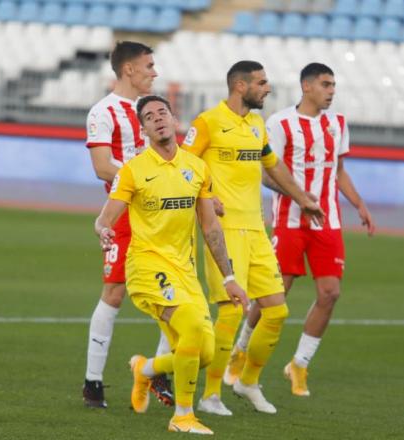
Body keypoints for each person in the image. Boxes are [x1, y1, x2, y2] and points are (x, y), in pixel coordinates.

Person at [95, 95, 249, 435]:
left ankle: (145, 369)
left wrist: (229, 278)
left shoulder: (196, 169)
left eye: (162, 112)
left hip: (184, 271)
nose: (157, 119)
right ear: (144, 129)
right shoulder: (133, 170)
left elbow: (210, 227)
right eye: (149, 117)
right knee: (193, 330)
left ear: (174, 118)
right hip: (147, 269)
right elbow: (105, 218)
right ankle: (182, 416)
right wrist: (104, 230)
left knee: (204, 353)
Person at [182, 60, 324, 416]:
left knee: (276, 311)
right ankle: (210, 395)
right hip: (224, 231)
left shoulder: (257, 125)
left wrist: (302, 198)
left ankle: (247, 382)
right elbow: (182, 165)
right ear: (240, 86)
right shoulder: (207, 122)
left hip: (258, 231)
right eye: (261, 82)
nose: (268, 88)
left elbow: (273, 166)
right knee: (231, 312)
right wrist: (206, 195)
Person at [226, 62, 375, 397]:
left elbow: (338, 172)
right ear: (306, 87)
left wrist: (359, 205)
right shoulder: (280, 123)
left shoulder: (338, 124)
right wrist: (299, 196)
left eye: (333, 85)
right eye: (325, 84)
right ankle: (241, 351)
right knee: (272, 295)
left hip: (328, 222)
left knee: (330, 293)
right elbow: (267, 173)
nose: (331, 91)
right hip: (289, 222)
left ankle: (300, 364)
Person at [83, 41, 172, 409]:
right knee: (115, 293)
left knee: (175, 294)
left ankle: (159, 372)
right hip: (124, 215)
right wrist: (150, 178)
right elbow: (103, 167)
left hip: (164, 216)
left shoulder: (155, 110)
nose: (155, 72)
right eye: (149, 65)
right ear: (130, 70)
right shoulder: (103, 112)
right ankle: (93, 382)